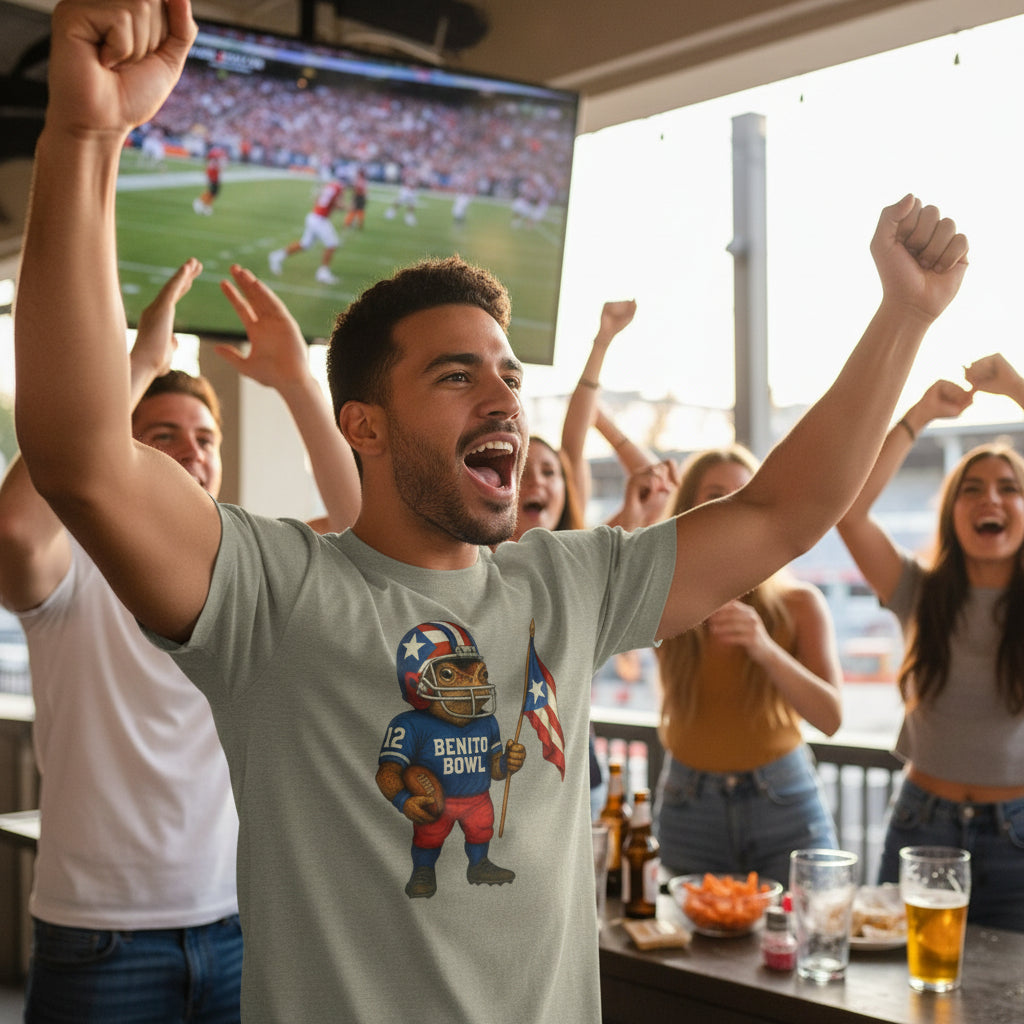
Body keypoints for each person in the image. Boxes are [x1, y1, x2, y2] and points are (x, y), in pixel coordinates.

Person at [15, 0, 969, 1017]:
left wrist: (903, 317)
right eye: (457, 375)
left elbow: (783, 512)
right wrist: (86, 136)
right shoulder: (276, 591)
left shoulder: (567, 581)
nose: (504, 397)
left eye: (510, 375)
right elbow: (80, 456)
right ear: (365, 426)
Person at [0, 257, 360, 1021]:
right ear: (117, 449)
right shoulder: (73, 570)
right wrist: (139, 365)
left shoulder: (251, 568)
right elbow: (13, 530)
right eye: (162, 436)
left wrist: (298, 380)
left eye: (205, 438)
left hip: (238, 923)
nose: (193, 452)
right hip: (102, 938)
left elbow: (364, 528)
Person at [836, 355, 1024, 931]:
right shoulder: (917, 590)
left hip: (1016, 833)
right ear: (952, 512)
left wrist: (1017, 389)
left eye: (1009, 488)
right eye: (972, 489)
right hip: (923, 825)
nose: (990, 499)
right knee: (902, 1003)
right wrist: (919, 415)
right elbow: (849, 510)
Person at [652, 444, 843, 884]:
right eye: (715, 494)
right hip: (688, 801)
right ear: (689, 509)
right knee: (688, 951)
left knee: (803, 939)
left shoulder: (800, 604)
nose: (730, 507)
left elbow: (831, 718)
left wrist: (764, 647)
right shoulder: (667, 601)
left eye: (744, 494)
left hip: (783, 798)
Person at [269, 175, 346, 285]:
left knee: (305, 244)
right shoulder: (338, 188)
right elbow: (337, 204)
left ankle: (276, 256)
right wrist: (346, 207)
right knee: (332, 244)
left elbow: (319, 198)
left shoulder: (330, 185)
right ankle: (323, 273)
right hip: (320, 219)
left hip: (314, 216)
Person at [193, 144, 226, 215]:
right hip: (212, 179)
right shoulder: (213, 163)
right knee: (210, 192)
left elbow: (220, 169)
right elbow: (210, 171)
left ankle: (207, 205)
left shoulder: (216, 162)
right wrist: (209, 180)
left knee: (214, 193)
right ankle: (200, 202)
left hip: (216, 179)